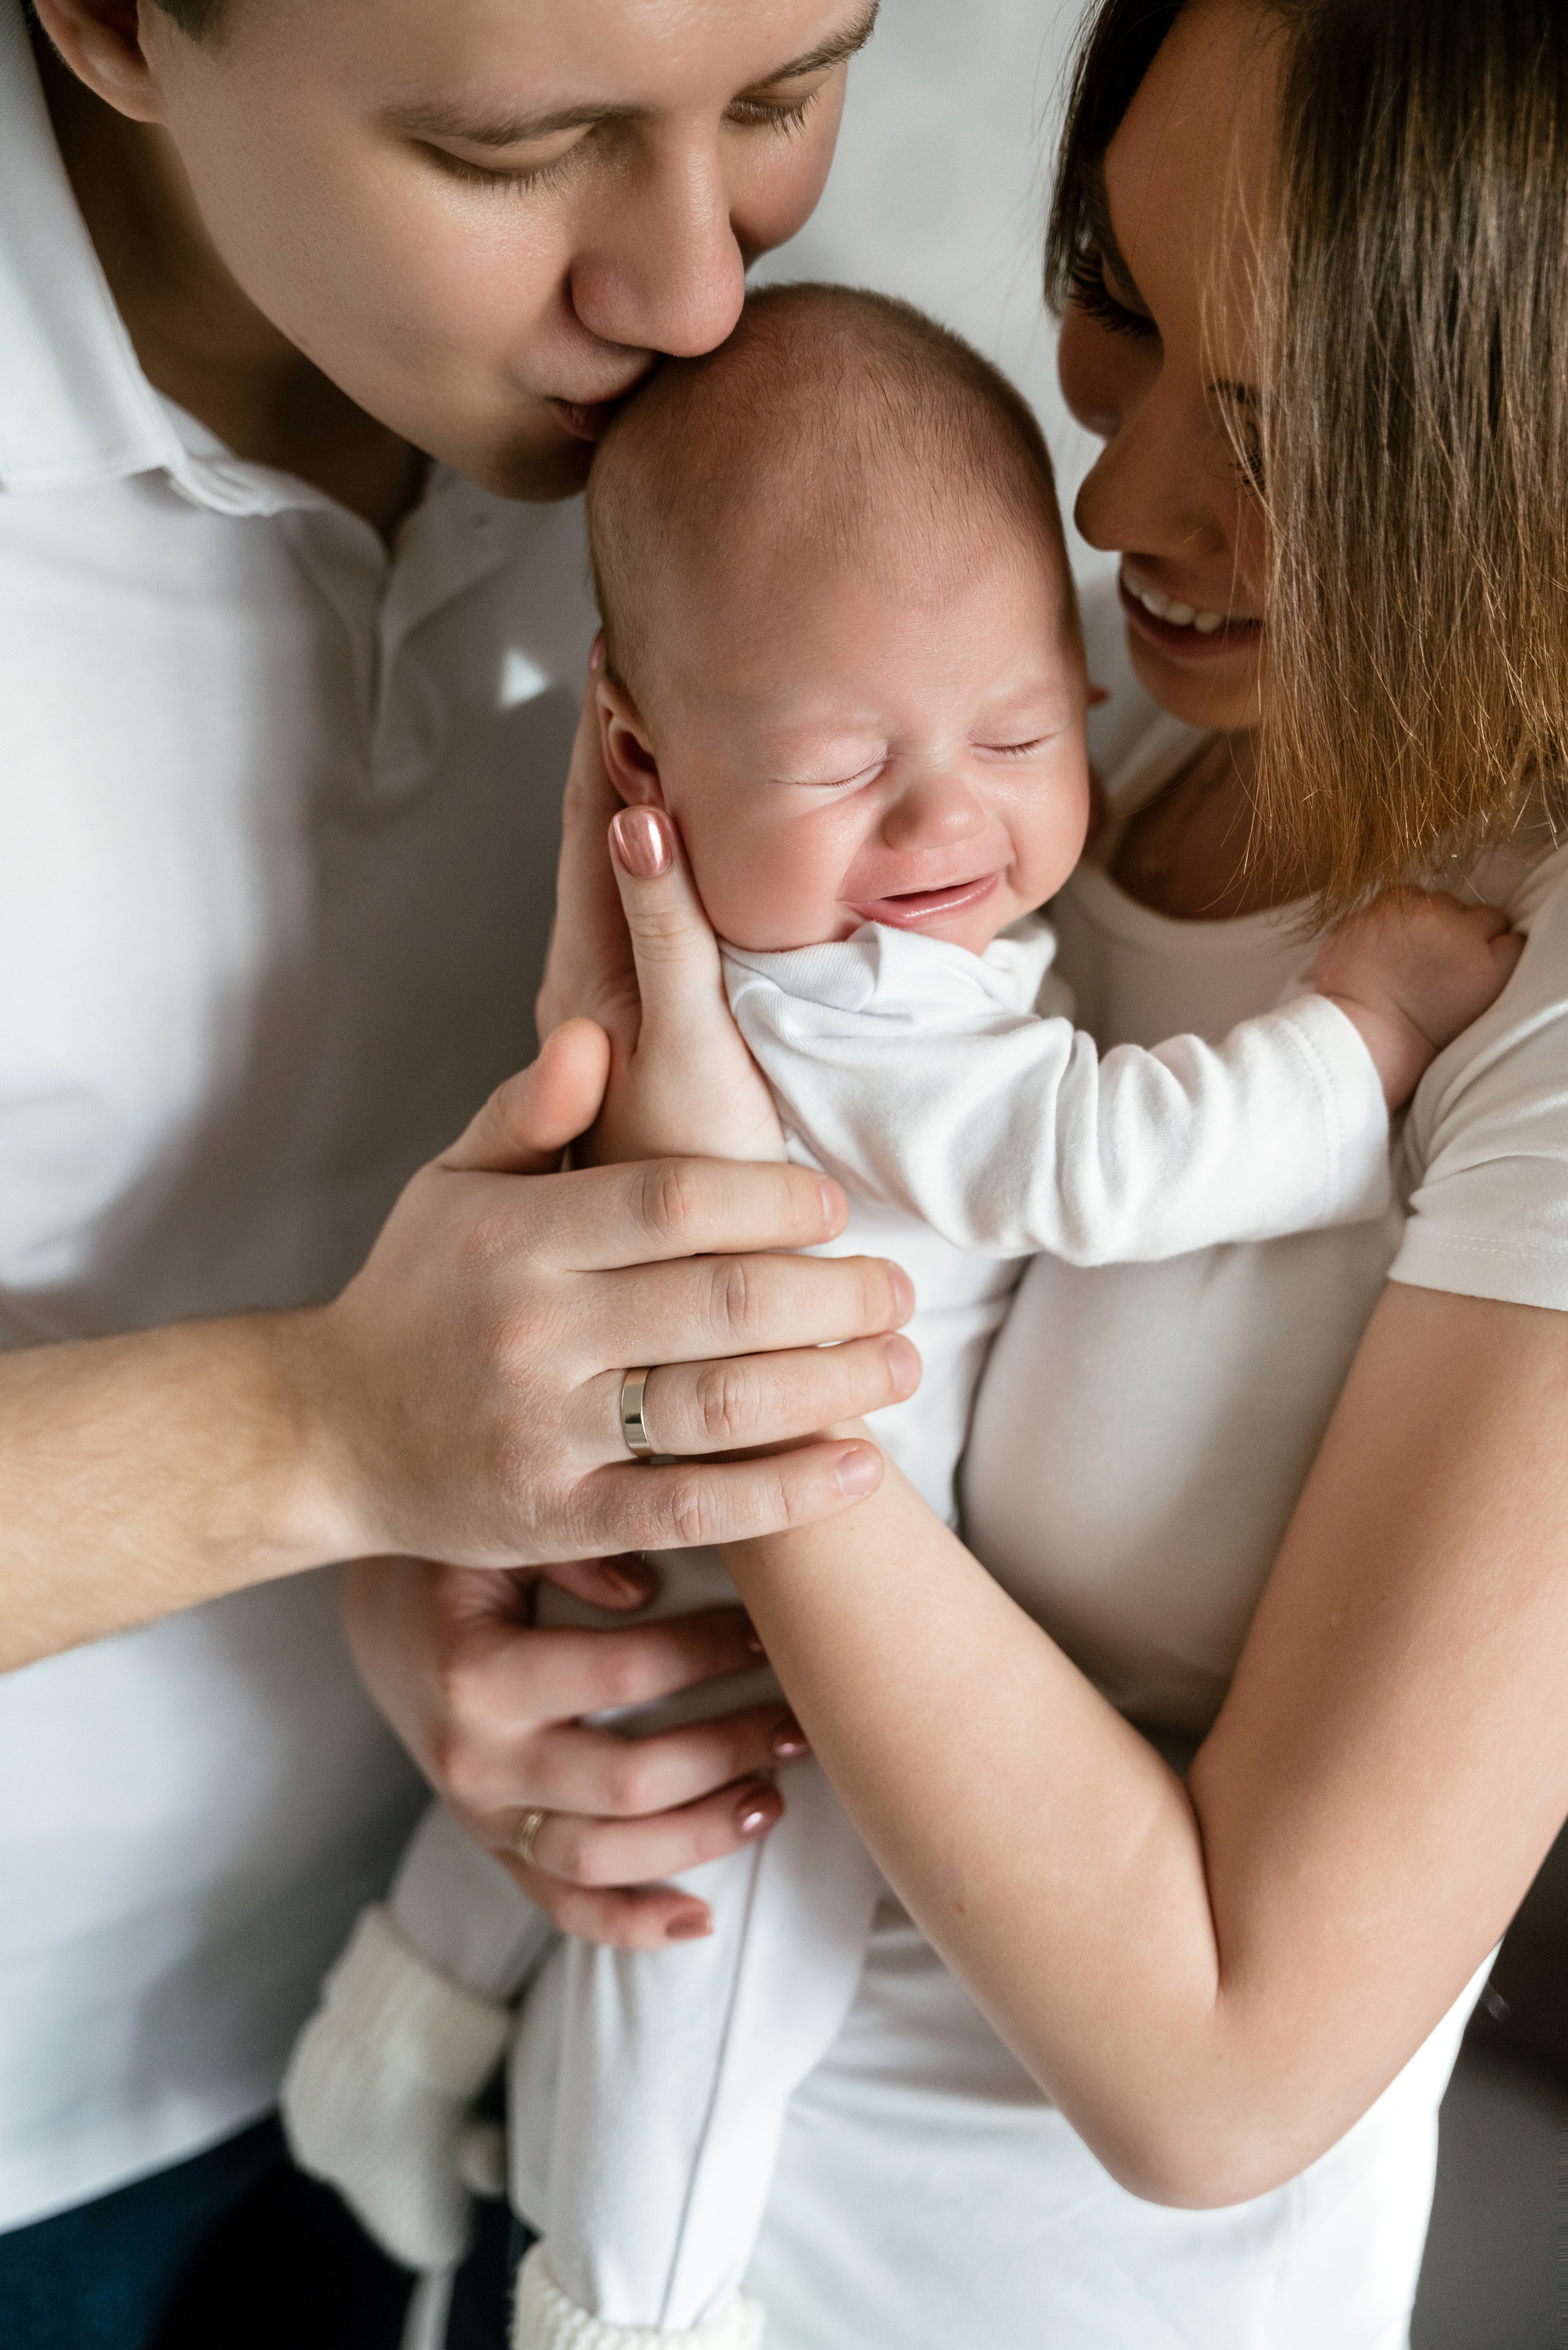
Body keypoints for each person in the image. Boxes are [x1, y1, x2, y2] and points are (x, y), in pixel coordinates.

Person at [288, 281, 1513, 2348]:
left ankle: (399, 2032)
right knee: (707, 1928)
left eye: (1016, 735)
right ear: (647, 757)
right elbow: (1105, 1164)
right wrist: (1358, 1035)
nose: (948, 827)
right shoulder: (855, 989)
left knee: (615, 1779)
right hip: (775, 1631)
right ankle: (626, 2298)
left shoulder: (844, 888)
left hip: (763, 1627)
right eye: (851, 765)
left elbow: (1223, 2073)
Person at [518, 1, 1568, 2343]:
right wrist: (469, 1658)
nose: (1110, 507)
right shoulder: (1045, 716)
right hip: (627, 2157)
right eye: (1120, 303)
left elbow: (1221, 2075)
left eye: (1280, 434)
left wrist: (715, 1359)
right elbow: (566, 1302)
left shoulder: (1528, 978)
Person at [0, 3, 914, 2344]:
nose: (700, 291)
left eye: (795, 91)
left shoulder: (721, 396)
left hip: (422, 2041)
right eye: (519, 149)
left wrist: (419, 1556)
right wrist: (317, 1437)